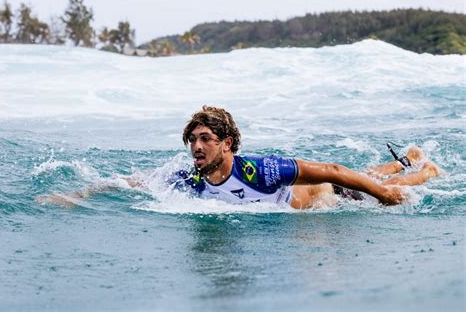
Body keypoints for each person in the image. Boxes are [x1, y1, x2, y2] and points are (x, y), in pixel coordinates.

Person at [37, 106, 441, 209]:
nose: (197, 147)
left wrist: (387, 198)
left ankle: (424, 170)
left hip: (322, 196)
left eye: (206, 139)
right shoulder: (189, 178)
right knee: (367, 174)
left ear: (227, 143)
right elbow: (131, 182)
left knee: (375, 190)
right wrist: (79, 194)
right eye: (192, 140)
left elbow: (333, 171)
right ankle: (405, 158)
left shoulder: (260, 170)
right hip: (318, 189)